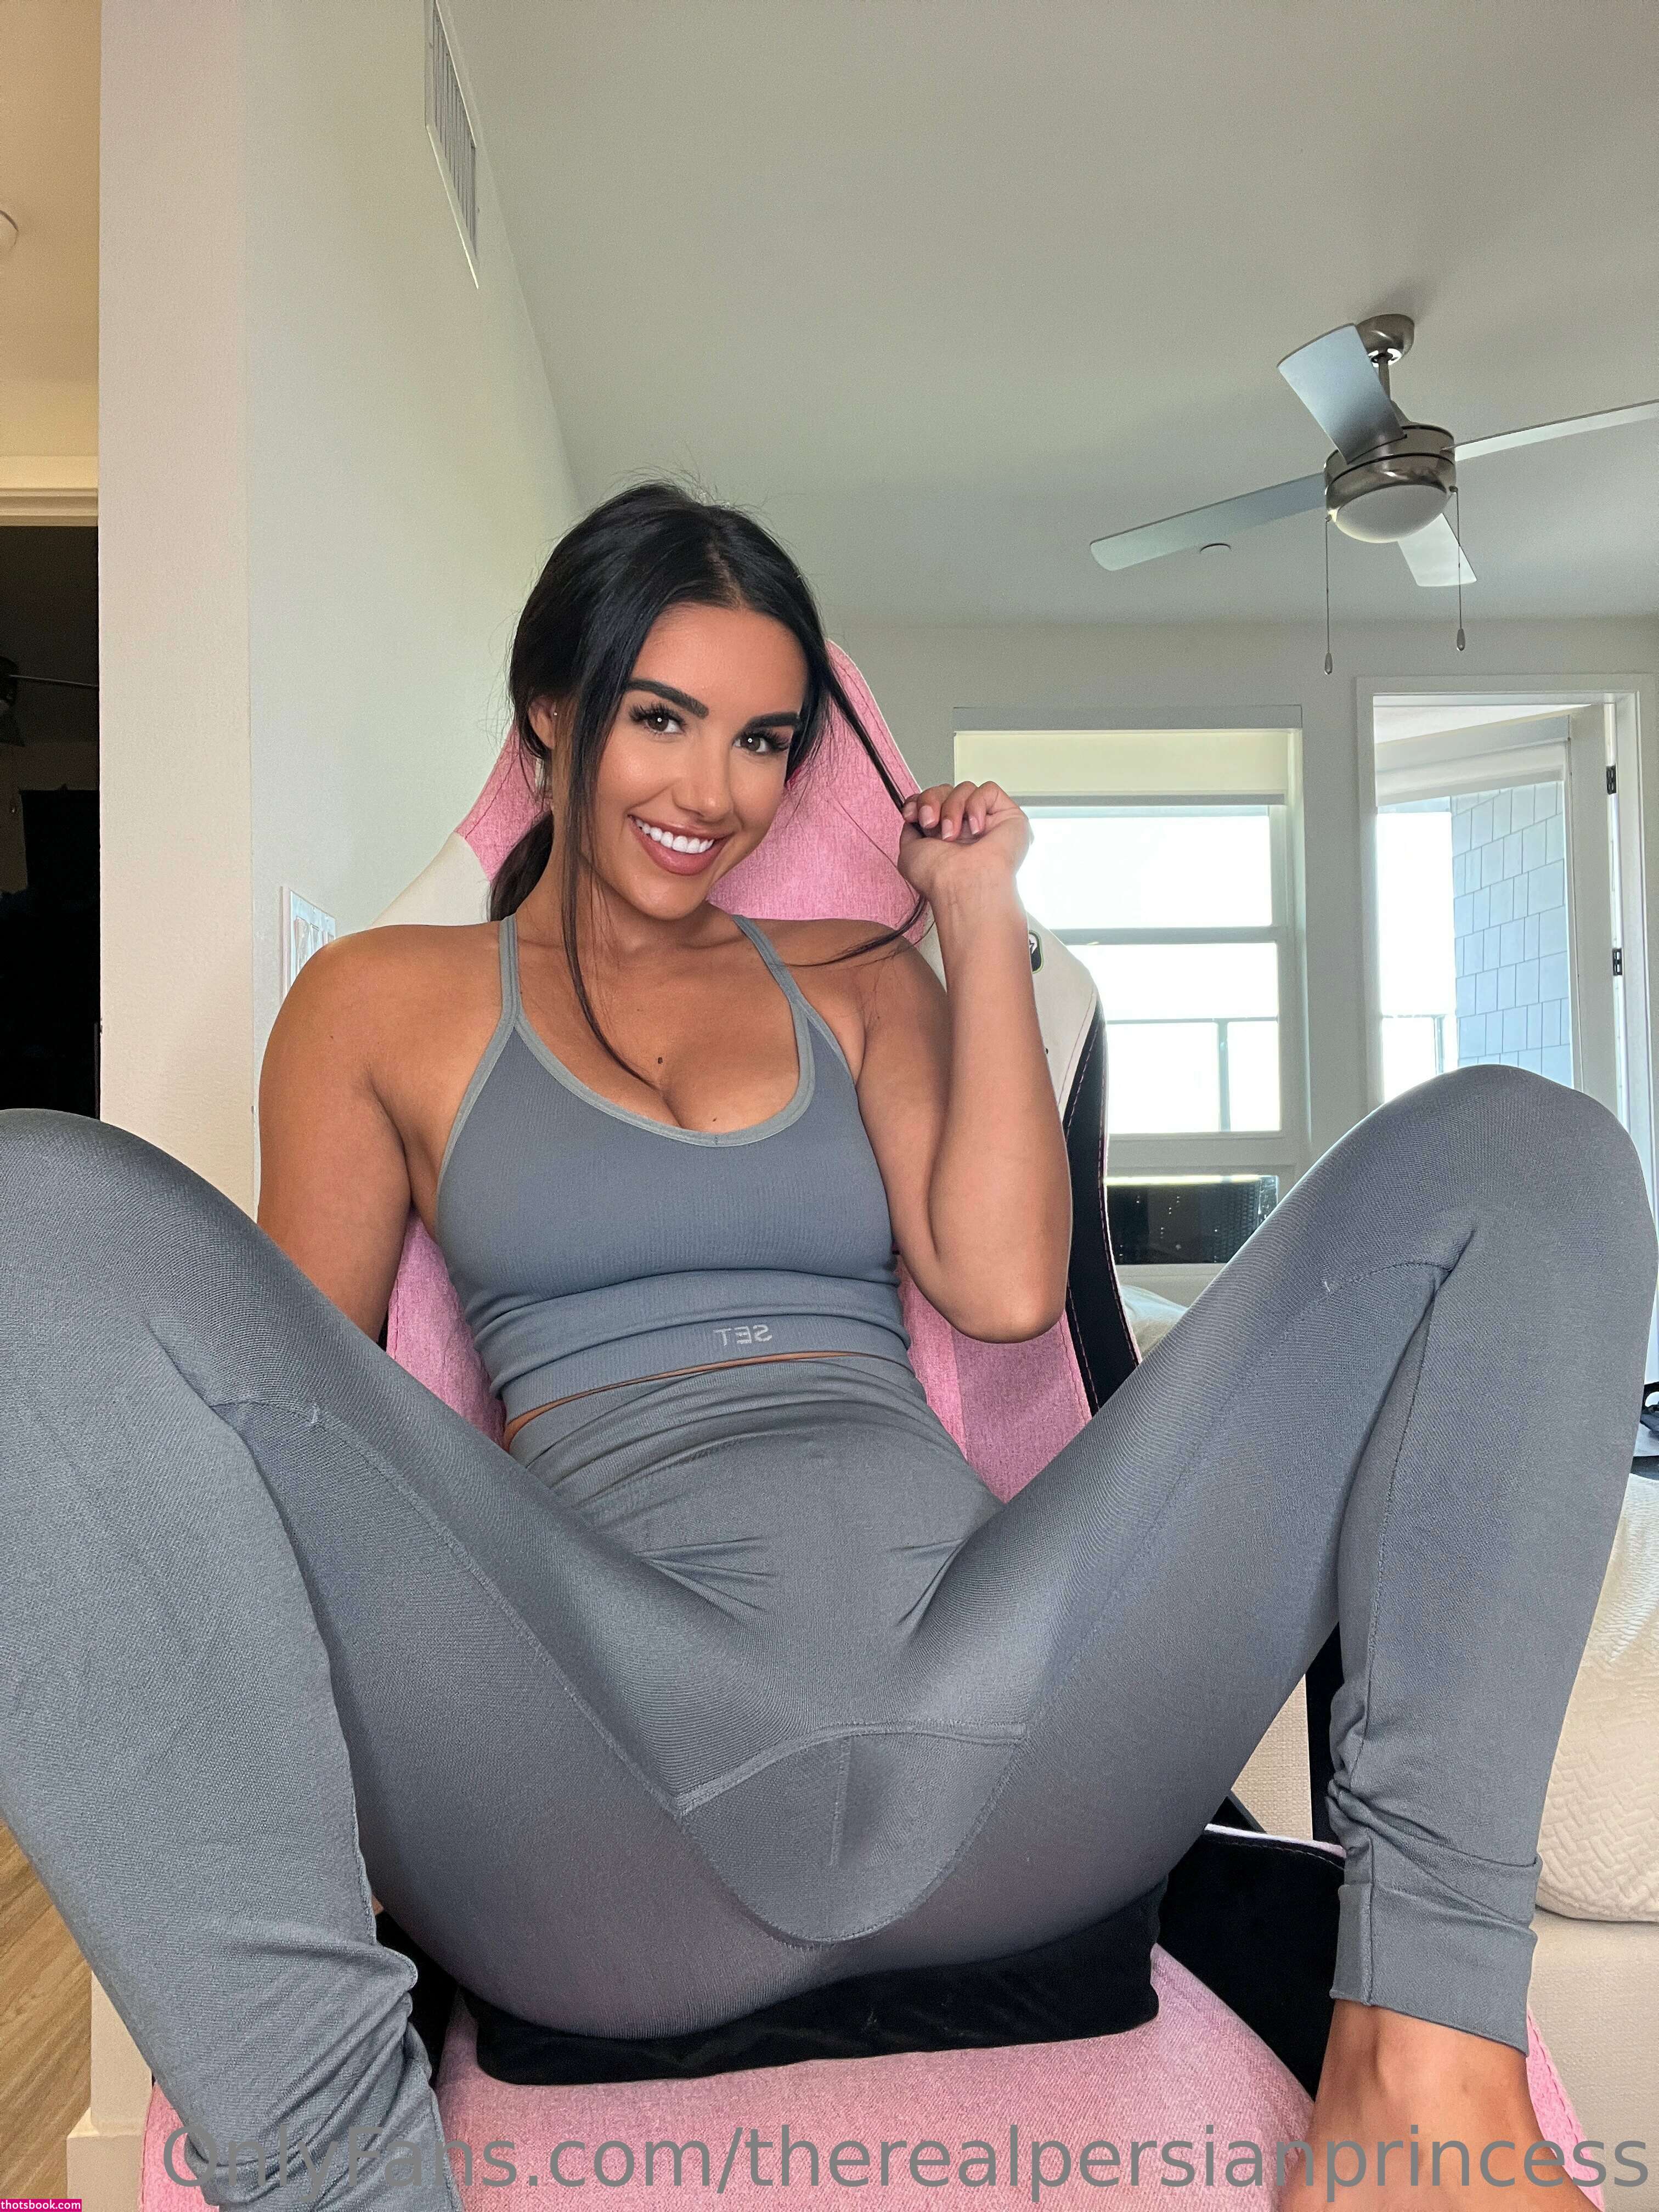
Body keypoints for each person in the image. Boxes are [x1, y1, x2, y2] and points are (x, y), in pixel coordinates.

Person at [0, 482, 1651, 2212]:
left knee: (1523, 1155)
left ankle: (1421, 2082)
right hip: (610, 1789)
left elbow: (1003, 1286)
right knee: (36, 1200)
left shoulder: (861, 975)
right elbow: (276, 1436)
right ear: (550, 711)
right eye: (661, 718)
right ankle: (334, 2176)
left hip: (1011, 1731)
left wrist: (974, 911)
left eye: (765, 740)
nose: (712, 791)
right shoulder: (381, 999)